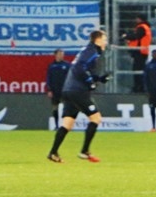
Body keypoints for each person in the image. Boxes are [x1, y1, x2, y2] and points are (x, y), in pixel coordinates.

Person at [47, 30, 111, 163]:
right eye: (104, 39)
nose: (106, 42)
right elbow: (79, 68)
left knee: (67, 124)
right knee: (96, 118)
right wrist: (90, 83)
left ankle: (53, 153)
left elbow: (83, 69)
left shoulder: (89, 51)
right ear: (97, 40)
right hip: (78, 91)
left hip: (68, 91)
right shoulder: (91, 51)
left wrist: (98, 79)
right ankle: (84, 151)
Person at [121, 14, 152, 93]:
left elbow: (135, 36)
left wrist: (126, 36)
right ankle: (139, 87)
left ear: (140, 19)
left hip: (140, 52)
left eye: (137, 19)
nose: (136, 20)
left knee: (138, 70)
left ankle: (139, 88)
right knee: (138, 70)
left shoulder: (142, 27)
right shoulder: (145, 27)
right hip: (141, 52)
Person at [45, 48, 71, 129]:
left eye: (62, 54)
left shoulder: (67, 65)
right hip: (54, 90)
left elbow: (71, 77)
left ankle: (65, 125)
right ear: (55, 55)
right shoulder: (51, 65)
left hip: (64, 90)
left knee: (66, 107)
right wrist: (49, 90)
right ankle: (56, 125)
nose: (61, 56)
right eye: (59, 54)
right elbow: (48, 78)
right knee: (55, 107)